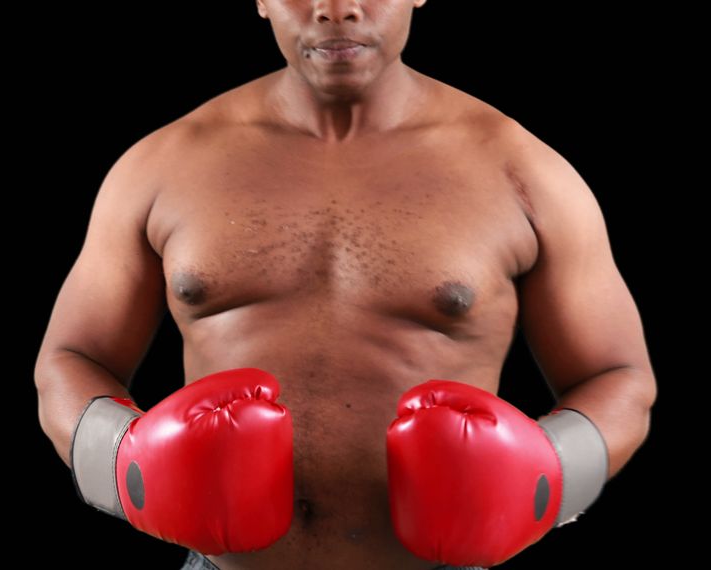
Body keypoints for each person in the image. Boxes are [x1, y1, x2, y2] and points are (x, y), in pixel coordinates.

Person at [33, 1, 658, 569]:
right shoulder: (162, 164)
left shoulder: (522, 171)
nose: (340, 10)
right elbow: (70, 360)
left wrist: (544, 479)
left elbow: (620, 378)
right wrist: (126, 468)